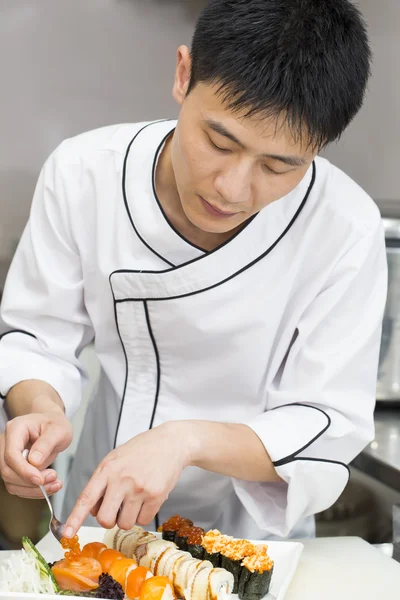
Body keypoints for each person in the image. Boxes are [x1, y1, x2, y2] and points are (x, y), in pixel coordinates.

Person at [0, 0, 387, 542]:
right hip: (100, 518)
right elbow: (39, 339)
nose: (231, 188)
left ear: (319, 147)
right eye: (218, 142)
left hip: (253, 538)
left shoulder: (343, 226)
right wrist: (40, 411)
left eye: (279, 166)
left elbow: (327, 420)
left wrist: (185, 441)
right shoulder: (84, 173)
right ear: (184, 74)